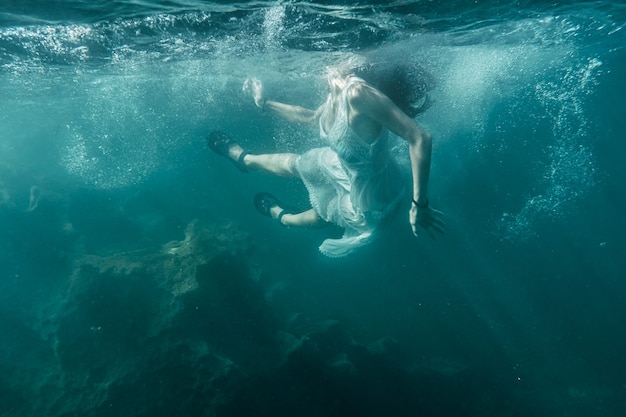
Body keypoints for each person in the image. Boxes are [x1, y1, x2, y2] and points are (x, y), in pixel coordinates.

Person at [207, 61, 444, 257]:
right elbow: (309, 117)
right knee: (302, 163)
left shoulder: (357, 93)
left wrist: (419, 205)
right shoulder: (338, 91)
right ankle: (245, 160)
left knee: (326, 210)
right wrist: (264, 104)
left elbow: (420, 138)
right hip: (344, 166)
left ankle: (283, 216)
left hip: (372, 198)